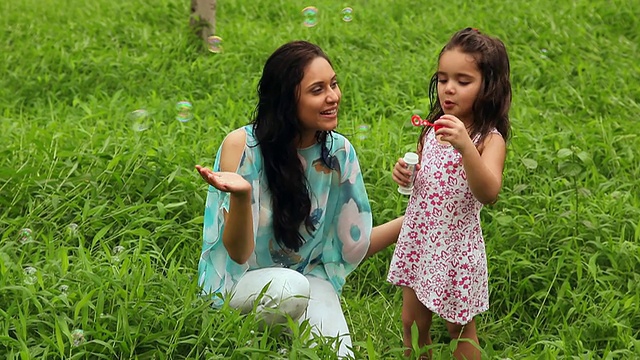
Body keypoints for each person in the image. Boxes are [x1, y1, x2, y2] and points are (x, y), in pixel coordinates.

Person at [195, 40, 403, 358]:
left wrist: (412, 219)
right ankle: (247, 344)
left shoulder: (338, 152)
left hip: (307, 279)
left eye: (333, 84)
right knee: (289, 290)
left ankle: (285, 340)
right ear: (286, 99)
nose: (333, 96)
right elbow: (238, 254)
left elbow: (351, 246)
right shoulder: (243, 146)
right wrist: (241, 197)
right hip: (238, 283)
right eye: (317, 89)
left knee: (338, 354)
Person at [387, 28, 512, 359]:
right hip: (421, 239)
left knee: (459, 329)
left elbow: (488, 192)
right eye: (443, 79)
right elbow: (427, 183)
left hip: (455, 249)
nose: (449, 89)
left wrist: (466, 146)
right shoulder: (434, 129)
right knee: (412, 322)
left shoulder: (488, 139)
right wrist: (407, 175)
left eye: (463, 80)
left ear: (488, 87)